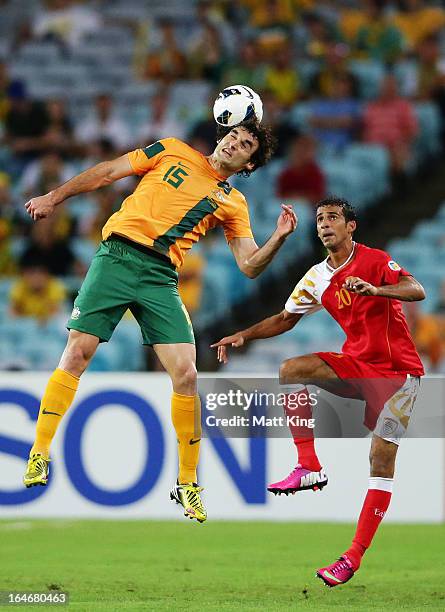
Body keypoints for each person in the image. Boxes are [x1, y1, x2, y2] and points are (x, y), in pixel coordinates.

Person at [22, 121, 297, 525]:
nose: (233, 146)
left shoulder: (233, 202)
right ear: (222, 137)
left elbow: (249, 265)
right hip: (116, 257)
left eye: (244, 147)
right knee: (78, 353)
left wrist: (279, 237)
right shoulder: (170, 149)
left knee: (187, 375)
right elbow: (108, 171)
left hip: (160, 277)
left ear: (249, 165)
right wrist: (54, 196)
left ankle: (187, 483)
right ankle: (39, 452)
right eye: (233, 137)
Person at [212, 196, 425, 584]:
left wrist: (377, 292)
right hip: (358, 368)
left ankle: (352, 558)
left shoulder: (376, 261)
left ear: (350, 226)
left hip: (400, 375)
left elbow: (416, 289)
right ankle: (308, 465)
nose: (325, 224)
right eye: (320, 219)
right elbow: (283, 318)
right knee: (291, 369)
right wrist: (243, 334)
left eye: (333, 218)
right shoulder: (316, 277)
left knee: (380, 461)